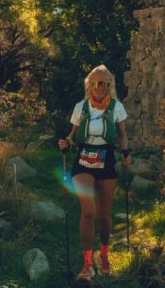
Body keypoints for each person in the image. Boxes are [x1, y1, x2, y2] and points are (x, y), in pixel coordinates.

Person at [58, 64, 132, 280]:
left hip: (106, 159)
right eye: (96, 83)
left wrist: (126, 151)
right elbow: (72, 135)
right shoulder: (80, 107)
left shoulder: (117, 107)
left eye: (104, 83)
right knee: (88, 212)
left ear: (110, 85)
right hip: (83, 159)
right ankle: (87, 264)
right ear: (89, 85)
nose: (100, 87)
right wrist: (66, 142)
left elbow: (122, 135)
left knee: (104, 215)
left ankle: (105, 255)